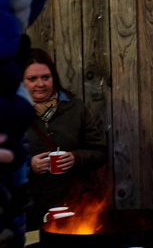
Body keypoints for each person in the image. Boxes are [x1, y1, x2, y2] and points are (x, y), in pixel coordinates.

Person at [21, 49, 108, 230]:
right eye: (32, 79)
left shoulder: (75, 109)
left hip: (75, 204)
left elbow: (100, 153)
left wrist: (75, 158)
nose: (41, 84)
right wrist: (29, 166)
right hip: (28, 209)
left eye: (46, 77)